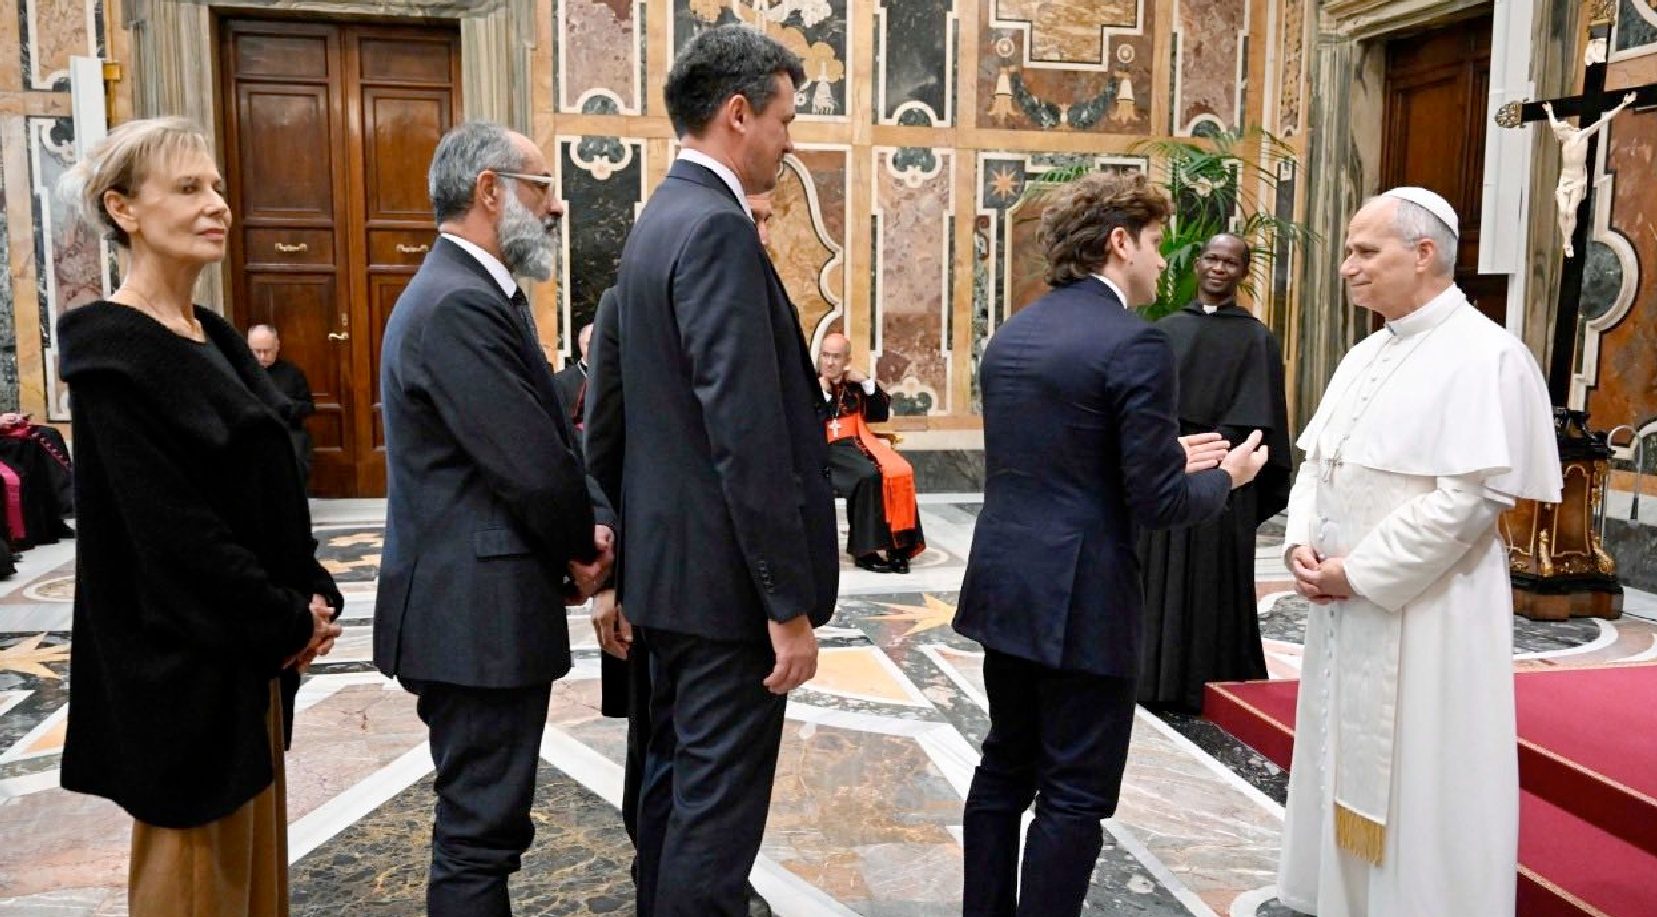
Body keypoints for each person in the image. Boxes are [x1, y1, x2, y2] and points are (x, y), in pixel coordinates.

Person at [952, 170, 1269, 917]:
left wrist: (1162, 453)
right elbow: (1159, 503)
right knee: (1074, 792)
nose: (1163, 260)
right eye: (1156, 242)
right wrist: (1226, 477)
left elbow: (1060, 454)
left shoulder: (1013, 333)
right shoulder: (1135, 342)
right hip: (1084, 602)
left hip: (1007, 586)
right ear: (1119, 242)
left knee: (1003, 768)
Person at [53, 116, 343, 917]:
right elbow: (174, 536)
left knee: (254, 890)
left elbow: (260, 493)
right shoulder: (114, 353)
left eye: (215, 185)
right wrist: (286, 617)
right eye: (188, 188)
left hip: (246, 660)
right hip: (182, 674)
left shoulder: (210, 335)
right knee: (196, 891)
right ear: (123, 209)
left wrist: (310, 589)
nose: (217, 202)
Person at [584, 25, 837, 916]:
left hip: (671, 581)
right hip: (727, 594)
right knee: (714, 824)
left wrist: (623, 574)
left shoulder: (658, 221)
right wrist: (785, 604)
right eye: (784, 119)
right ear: (737, 113)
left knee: (671, 789)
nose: (789, 141)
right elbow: (745, 434)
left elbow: (628, 420)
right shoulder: (718, 228)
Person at [1276, 187, 1560, 915]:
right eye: (1349, 251)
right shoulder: (1364, 353)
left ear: (1423, 253)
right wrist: (1302, 542)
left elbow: (1469, 500)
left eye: (1364, 251)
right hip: (1344, 609)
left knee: (1425, 772)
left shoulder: (1487, 356)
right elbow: (1319, 463)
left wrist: (1359, 572)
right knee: (1339, 757)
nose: (1347, 266)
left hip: (1430, 609)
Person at [373, 121, 615, 917]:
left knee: (488, 828)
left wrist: (583, 525)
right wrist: (580, 545)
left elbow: (547, 439)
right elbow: (528, 463)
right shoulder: (455, 302)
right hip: (470, 619)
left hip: (476, 614)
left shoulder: (473, 292)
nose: (554, 206)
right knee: (479, 835)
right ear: (489, 191)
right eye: (541, 187)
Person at [1137, 233, 1292, 712]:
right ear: (1198, 264)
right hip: (1171, 469)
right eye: (1212, 258)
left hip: (1228, 477)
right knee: (1158, 578)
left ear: (1243, 272)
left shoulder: (1257, 339)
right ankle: (1151, 679)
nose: (1219, 268)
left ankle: (1213, 682)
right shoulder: (1163, 332)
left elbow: (1263, 417)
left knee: (1214, 584)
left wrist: (1220, 458)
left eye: (1230, 262)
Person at [818, 331, 925, 573]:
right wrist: (823, 395)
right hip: (825, 449)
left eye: (836, 357)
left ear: (847, 360)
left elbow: (880, 414)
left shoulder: (854, 386)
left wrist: (867, 383)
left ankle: (899, 548)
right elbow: (805, 422)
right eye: (825, 355)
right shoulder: (809, 385)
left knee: (899, 471)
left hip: (858, 444)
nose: (829, 362)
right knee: (868, 475)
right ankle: (865, 552)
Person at [247, 324, 315, 485]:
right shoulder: (241, 372)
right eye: (257, 351)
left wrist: (285, 408)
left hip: (287, 430)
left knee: (296, 457)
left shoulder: (292, 373)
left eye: (267, 351)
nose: (262, 356)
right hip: (252, 430)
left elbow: (308, 407)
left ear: (277, 346)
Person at [552, 320, 594, 428]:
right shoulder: (561, 381)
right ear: (580, 345)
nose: (595, 348)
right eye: (589, 344)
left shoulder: (618, 377)